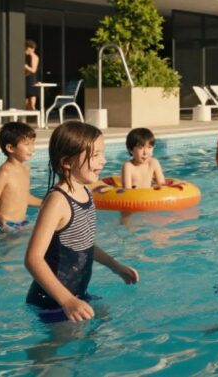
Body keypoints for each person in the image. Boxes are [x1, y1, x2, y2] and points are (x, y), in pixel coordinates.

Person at [25, 122, 139, 322]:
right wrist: (67, 300)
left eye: (102, 153)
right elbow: (33, 259)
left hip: (75, 295)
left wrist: (115, 266)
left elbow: (83, 244)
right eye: (95, 155)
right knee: (54, 352)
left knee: (104, 325)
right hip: (52, 301)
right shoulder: (57, 201)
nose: (103, 160)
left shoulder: (85, 191)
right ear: (67, 162)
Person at [0, 122, 42, 233]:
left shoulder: (26, 169)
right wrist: (3, 223)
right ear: (10, 148)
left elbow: (24, 197)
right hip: (2, 225)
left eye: (33, 143)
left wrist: (46, 203)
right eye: (26, 144)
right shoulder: (4, 172)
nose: (32, 148)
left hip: (21, 224)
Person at [25, 40, 40, 111]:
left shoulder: (34, 57)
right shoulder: (26, 57)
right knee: (25, 102)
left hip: (30, 80)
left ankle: (35, 117)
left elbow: (33, 70)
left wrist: (25, 67)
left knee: (31, 103)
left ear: (31, 49)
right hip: (25, 79)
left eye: (27, 49)